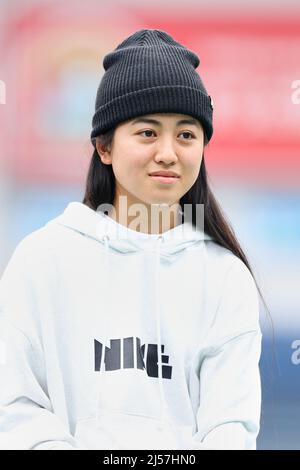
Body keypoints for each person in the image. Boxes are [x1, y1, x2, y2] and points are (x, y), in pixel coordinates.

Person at [0, 29, 263, 450]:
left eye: (186, 134)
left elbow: (230, 426)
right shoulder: (41, 260)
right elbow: (15, 409)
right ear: (104, 146)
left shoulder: (224, 276)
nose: (168, 152)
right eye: (147, 132)